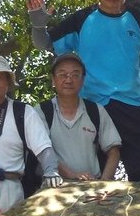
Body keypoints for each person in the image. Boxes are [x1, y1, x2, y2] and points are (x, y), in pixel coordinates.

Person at [27, 0, 140, 181]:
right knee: (95, 177)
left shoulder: (139, 18)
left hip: (133, 105)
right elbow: (45, 44)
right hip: (94, 107)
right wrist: (38, 26)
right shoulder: (83, 18)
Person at [0, 54, 63, 210]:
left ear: (8, 82)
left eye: (0, 77)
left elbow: (43, 147)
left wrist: (51, 170)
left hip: (7, 189)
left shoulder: (23, 112)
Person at [38, 52, 122, 181]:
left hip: (92, 186)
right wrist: (72, 176)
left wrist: (104, 183)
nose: (69, 80)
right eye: (62, 75)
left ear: (83, 80)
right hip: (53, 188)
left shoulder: (95, 111)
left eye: (75, 75)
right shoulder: (42, 112)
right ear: (53, 80)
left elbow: (113, 150)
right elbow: (42, 152)